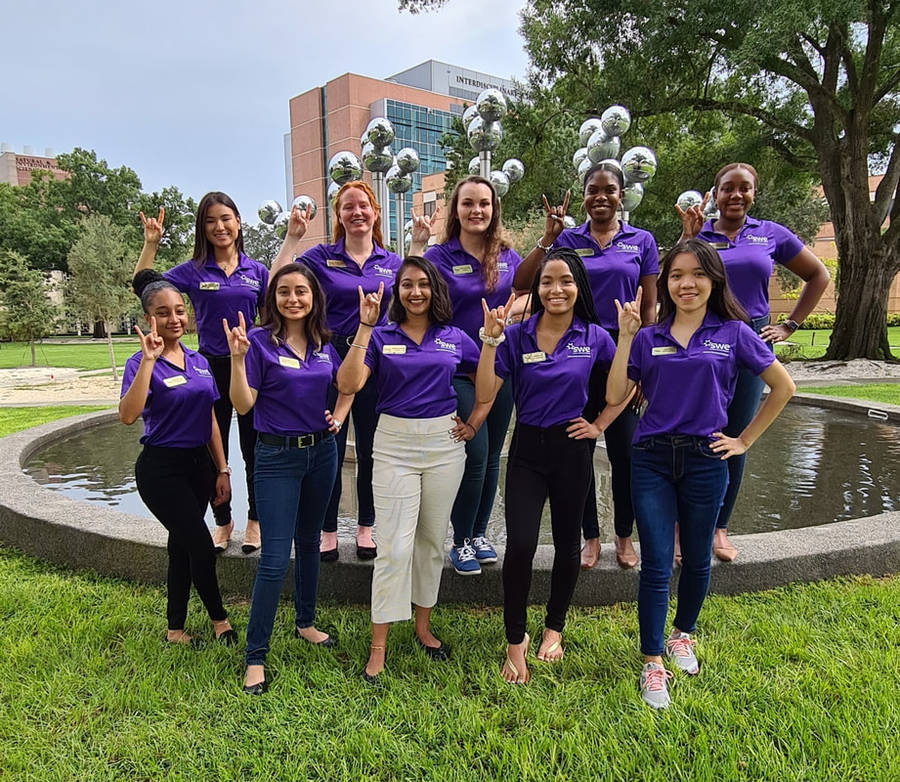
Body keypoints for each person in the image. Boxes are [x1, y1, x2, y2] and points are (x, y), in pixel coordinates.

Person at [606, 239, 795, 709]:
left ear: (713, 280)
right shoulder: (650, 337)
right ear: (666, 283)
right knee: (655, 563)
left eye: (696, 275)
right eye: (675, 275)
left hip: (706, 460)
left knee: (695, 558)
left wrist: (743, 441)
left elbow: (782, 386)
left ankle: (681, 634)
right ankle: (652, 661)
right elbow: (615, 397)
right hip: (650, 458)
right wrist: (626, 335)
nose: (686, 284)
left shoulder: (734, 333)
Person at [476, 248, 629, 684]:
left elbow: (621, 389)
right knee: (520, 545)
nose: (555, 289)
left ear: (578, 286)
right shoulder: (518, 335)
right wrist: (490, 341)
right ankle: (515, 641)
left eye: (564, 281)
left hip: (571, 449)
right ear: (536, 289)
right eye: (546, 282)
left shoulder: (595, 336)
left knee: (567, 545)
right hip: (527, 449)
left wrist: (598, 423)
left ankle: (554, 628)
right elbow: (486, 392)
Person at [336, 256, 486, 682]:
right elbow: (348, 385)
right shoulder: (381, 336)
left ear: (434, 290)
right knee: (394, 548)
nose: (415, 292)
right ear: (397, 292)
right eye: (406, 285)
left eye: (423, 284)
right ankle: (378, 645)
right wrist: (364, 328)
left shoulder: (454, 337)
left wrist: (474, 420)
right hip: (394, 445)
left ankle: (423, 627)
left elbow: (487, 380)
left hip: (443, 444)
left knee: (431, 543)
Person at [677, 163, 829, 561]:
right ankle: (684, 525)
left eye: (744, 188)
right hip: (703, 334)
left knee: (737, 433)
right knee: (692, 427)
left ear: (753, 194)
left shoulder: (770, 233)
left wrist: (789, 326)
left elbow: (818, 275)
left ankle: (719, 527)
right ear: (715, 192)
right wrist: (687, 239)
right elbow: (675, 277)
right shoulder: (701, 233)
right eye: (728, 188)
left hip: (750, 339)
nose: (736, 195)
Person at [514, 162, 659, 570]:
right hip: (575, 356)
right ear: (584, 195)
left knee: (625, 452)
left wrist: (644, 363)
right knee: (578, 448)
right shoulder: (567, 239)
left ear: (622, 194)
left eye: (609, 190)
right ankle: (590, 536)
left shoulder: (641, 240)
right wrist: (548, 238)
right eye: (592, 189)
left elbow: (649, 306)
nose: (601, 197)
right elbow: (524, 283)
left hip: (624, 355)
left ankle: (624, 536)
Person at [225, 264, 352, 695]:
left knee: (311, 541)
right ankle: (255, 656)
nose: (293, 298)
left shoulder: (322, 344)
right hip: (276, 457)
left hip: (322, 453)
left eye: (301, 291)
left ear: (314, 297)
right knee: (276, 559)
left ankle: (306, 622)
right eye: (284, 292)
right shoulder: (258, 342)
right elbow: (243, 406)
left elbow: (346, 384)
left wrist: (340, 416)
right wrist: (238, 360)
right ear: (273, 298)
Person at [271, 182, 403, 561]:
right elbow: (276, 283)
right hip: (329, 360)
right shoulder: (319, 257)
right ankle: (328, 528)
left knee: (371, 450)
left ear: (376, 212)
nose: (357, 212)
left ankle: (366, 527)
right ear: (339, 216)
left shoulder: (391, 262)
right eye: (348, 207)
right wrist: (292, 238)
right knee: (326, 446)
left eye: (364, 205)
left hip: (377, 363)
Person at [135, 195, 269, 554]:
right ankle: (223, 521)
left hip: (249, 367)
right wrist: (151, 244)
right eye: (211, 221)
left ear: (239, 222)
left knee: (254, 446)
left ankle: (255, 520)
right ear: (203, 228)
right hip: (207, 368)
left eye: (226, 219)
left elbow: (274, 319)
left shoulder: (257, 272)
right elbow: (145, 286)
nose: (220, 227)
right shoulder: (193, 270)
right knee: (213, 448)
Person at [407, 175, 523, 575]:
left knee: (492, 455)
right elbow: (410, 293)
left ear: (494, 209)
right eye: (468, 203)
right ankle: (460, 540)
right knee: (472, 451)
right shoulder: (440, 256)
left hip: (500, 365)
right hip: (457, 368)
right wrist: (418, 244)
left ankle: (477, 535)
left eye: (484, 203)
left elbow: (530, 294)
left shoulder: (508, 255)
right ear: (456, 209)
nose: (477, 210)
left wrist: (511, 313)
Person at [119, 270, 237, 647]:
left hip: (199, 465)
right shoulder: (140, 363)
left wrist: (222, 468)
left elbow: (213, 421)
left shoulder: (200, 361)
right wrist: (150, 361)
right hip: (161, 469)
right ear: (147, 318)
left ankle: (175, 629)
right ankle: (220, 620)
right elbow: (127, 414)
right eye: (163, 313)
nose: (174, 319)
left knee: (181, 547)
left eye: (179, 311)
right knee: (201, 546)